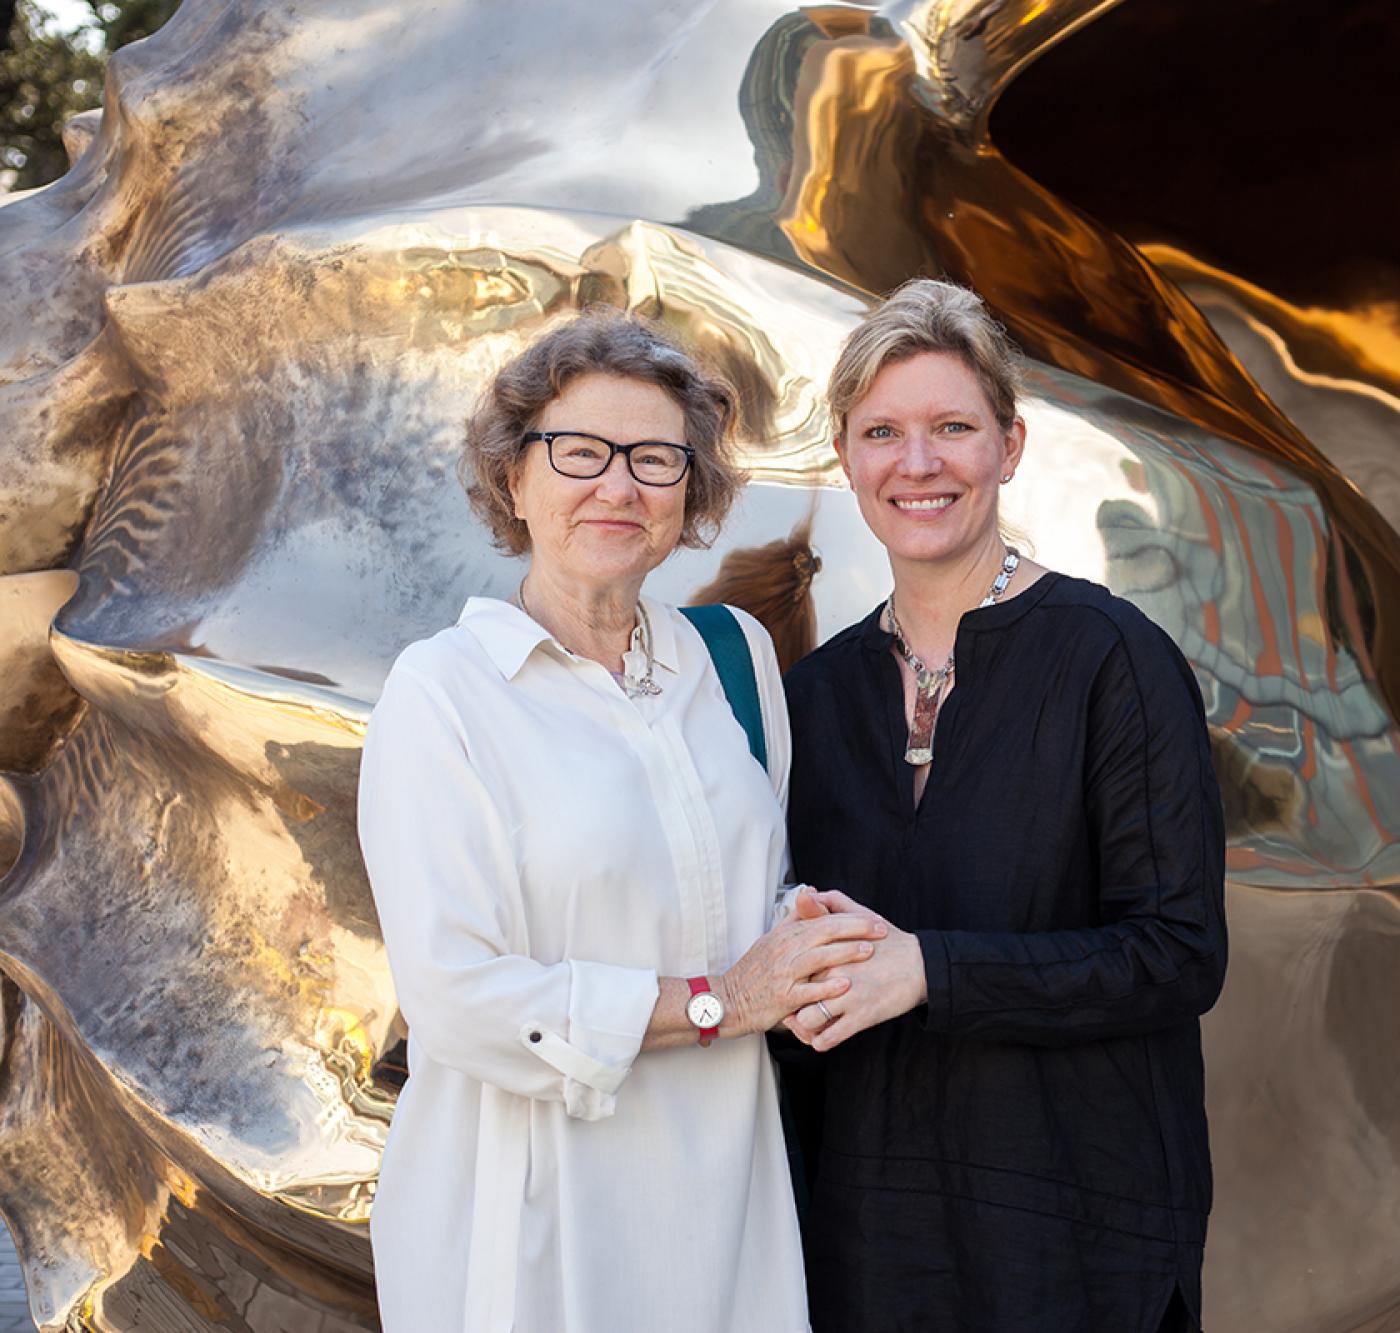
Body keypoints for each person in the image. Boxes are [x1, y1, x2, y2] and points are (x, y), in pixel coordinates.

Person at [356, 308, 884, 1331]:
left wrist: (805, 933)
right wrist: (721, 1001)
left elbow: (742, 884)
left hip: (728, 1200)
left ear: (688, 493)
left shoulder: (731, 660)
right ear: (515, 478)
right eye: (580, 452)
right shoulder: (443, 692)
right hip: (538, 1217)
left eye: (653, 458)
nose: (617, 485)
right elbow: (455, 996)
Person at [781, 279, 1228, 1332]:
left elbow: (1176, 953)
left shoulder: (1111, 660)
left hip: (1073, 1245)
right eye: (882, 431)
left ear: (1010, 445)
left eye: (952, 428)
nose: (918, 463)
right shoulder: (809, 697)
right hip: (867, 1248)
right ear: (845, 458)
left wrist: (929, 969)